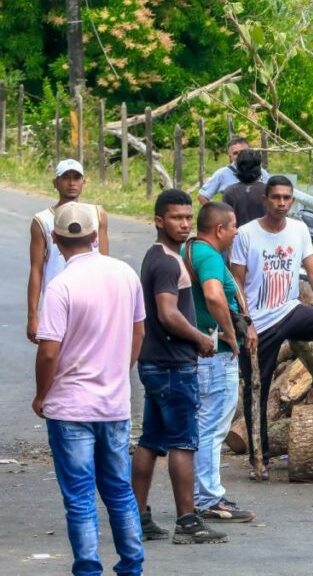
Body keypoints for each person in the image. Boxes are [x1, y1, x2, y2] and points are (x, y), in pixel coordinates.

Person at [33, 203, 146, 575]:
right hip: (113, 405)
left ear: (55, 239)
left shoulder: (61, 286)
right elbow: (138, 331)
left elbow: (49, 352)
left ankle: (88, 569)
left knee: (79, 497)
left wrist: (41, 395)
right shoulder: (125, 274)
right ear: (96, 236)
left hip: (69, 407)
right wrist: (118, 370)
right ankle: (131, 565)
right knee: (119, 490)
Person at [231, 176, 313, 480]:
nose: (281, 203)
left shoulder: (298, 230)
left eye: (287, 198)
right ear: (265, 200)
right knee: (257, 389)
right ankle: (260, 457)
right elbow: (236, 281)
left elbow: (312, 268)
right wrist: (245, 322)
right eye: (276, 198)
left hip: (289, 310)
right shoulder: (245, 234)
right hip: (259, 323)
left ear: (292, 201)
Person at [133, 190, 225, 544]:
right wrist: (200, 338)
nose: (184, 223)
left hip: (155, 362)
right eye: (176, 217)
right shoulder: (168, 262)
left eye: (188, 217)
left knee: (151, 441)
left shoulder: (156, 256)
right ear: (159, 220)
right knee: (184, 443)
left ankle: (138, 518)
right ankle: (188, 521)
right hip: (173, 366)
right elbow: (168, 314)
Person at [182, 202, 257, 523]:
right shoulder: (209, 256)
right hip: (216, 354)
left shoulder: (192, 250)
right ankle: (208, 497)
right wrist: (229, 332)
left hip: (202, 353)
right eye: (233, 227)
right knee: (212, 427)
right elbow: (214, 295)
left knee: (204, 425)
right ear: (219, 229)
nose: (236, 233)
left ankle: (204, 494)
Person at [27, 158, 109, 343]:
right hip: (57, 300)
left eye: (76, 178)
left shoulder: (97, 214)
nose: (71, 183)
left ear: (83, 182)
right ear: (55, 183)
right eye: (65, 178)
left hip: (91, 299)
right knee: (56, 355)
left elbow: (104, 262)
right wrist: (33, 315)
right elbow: (36, 269)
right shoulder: (43, 220)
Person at [197, 137, 270, 204]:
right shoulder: (222, 174)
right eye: (235, 153)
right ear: (230, 157)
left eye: (242, 151)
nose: (239, 156)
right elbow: (202, 196)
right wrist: (218, 213)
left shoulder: (262, 173)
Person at [222, 148, 267, 227]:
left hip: (236, 237)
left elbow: (225, 222)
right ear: (258, 167)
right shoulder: (268, 190)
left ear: (238, 167)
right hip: (264, 237)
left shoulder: (229, 191)